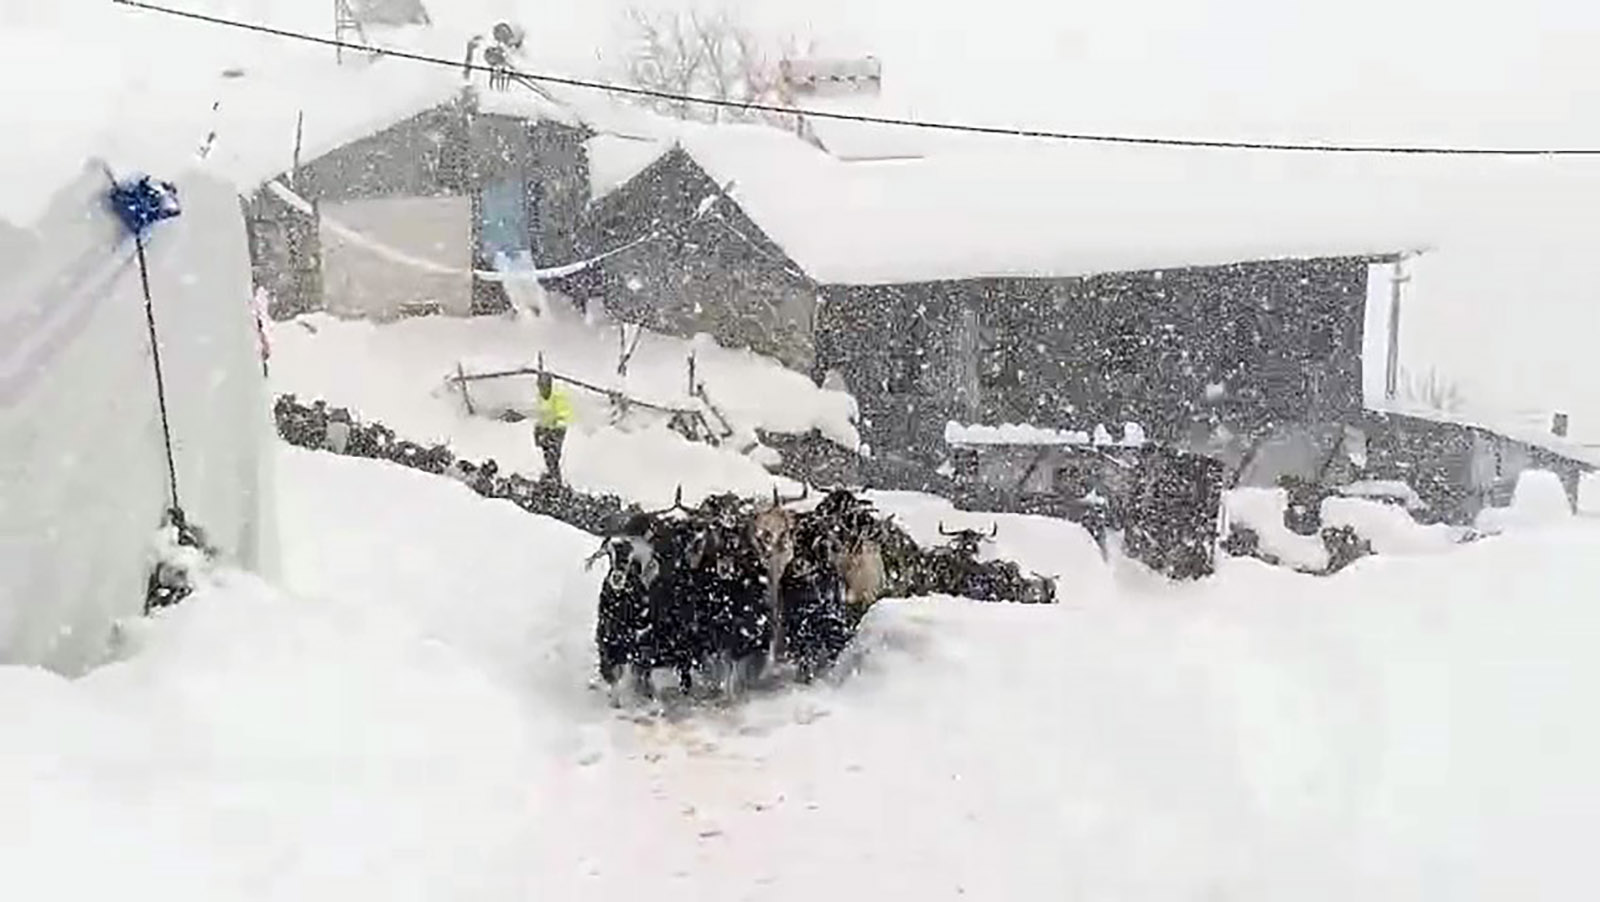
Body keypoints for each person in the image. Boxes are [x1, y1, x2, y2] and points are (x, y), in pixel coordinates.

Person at [534, 372, 574, 483]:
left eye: (544, 387)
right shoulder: (540, 397)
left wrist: (554, 431)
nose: (542, 391)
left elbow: (564, 416)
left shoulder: (558, 396)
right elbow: (540, 413)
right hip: (547, 427)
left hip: (558, 429)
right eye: (540, 387)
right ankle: (551, 475)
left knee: (553, 454)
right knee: (546, 452)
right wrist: (538, 428)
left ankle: (556, 479)